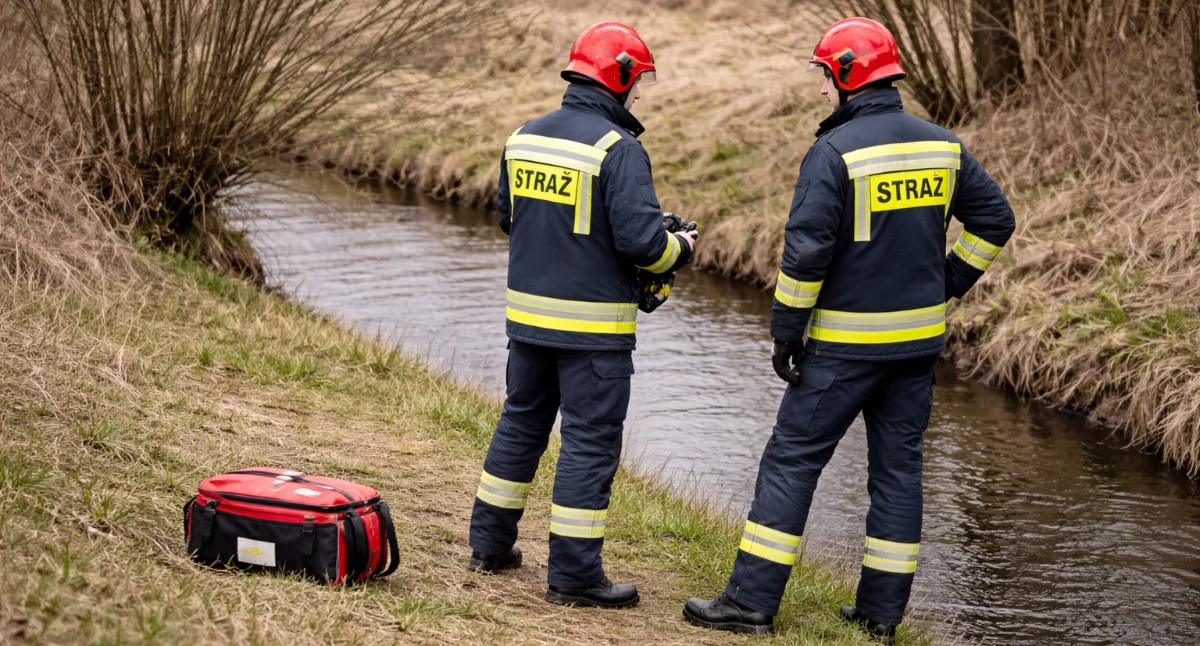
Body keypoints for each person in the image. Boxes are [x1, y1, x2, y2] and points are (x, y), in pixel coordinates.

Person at [682, 17, 1015, 642]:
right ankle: (880, 618)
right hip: (916, 345)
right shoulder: (942, 145)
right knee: (898, 474)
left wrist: (786, 332)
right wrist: (945, 284)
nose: (821, 90)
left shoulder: (834, 153)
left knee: (791, 463)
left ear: (844, 76)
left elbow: (806, 256)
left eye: (824, 77)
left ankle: (750, 604)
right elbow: (995, 221)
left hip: (842, 348)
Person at [467, 21, 698, 610]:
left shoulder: (522, 137)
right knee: (589, 446)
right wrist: (684, 247)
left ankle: (489, 546)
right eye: (638, 81)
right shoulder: (619, 150)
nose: (640, 94)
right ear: (617, 76)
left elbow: (508, 218)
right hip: (594, 334)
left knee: (520, 424)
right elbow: (647, 247)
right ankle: (574, 577)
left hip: (528, 321)